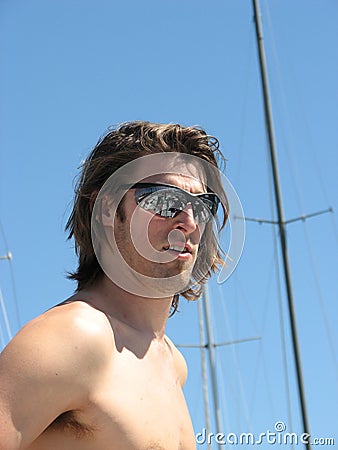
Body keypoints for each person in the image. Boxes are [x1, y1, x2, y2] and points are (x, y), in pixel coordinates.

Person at [0, 121, 229, 450]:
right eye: (165, 200)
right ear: (107, 207)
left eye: (203, 205)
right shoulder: (76, 336)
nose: (189, 222)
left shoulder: (173, 363)